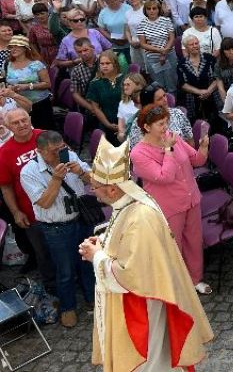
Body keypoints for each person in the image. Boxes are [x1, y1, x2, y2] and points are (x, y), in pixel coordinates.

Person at [79, 135, 214, 369]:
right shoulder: (127, 205)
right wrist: (102, 241)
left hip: (141, 307)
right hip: (137, 301)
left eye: (96, 187)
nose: (94, 191)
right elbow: (127, 240)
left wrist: (96, 257)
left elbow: (132, 273)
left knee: (150, 362)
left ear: (112, 189)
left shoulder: (140, 216)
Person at [130, 104, 212, 295]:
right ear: (147, 127)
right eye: (160, 124)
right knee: (173, 247)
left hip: (191, 198)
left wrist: (204, 147)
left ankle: (195, 279)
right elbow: (164, 177)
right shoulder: (139, 153)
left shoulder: (172, 137)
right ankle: (177, 285)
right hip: (169, 207)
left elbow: (197, 161)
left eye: (166, 122)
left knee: (194, 241)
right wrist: (168, 151)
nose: (165, 126)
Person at [19, 131, 94, 328]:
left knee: (88, 263)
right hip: (57, 229)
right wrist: (56, 179)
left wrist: (81, 172)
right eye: (54, 152)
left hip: (81, 220)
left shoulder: (71, 156)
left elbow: (94, 181)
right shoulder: (29, 172)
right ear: (40, 151)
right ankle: (68, 307)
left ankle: (92, 298)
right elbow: (44, 202)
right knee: (65, 270)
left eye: (62, 148)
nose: (60, 154)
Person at [0, 108, 54, 289]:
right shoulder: (5, 152)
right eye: (15, 122)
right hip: (32, 212)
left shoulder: (45, 136)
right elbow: (6, 186)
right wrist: (16, 211)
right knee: (43, 252)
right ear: (8, 127)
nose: (21, 124)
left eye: (24, 120)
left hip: (60, 204)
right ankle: (51, 288)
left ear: (30, 119)